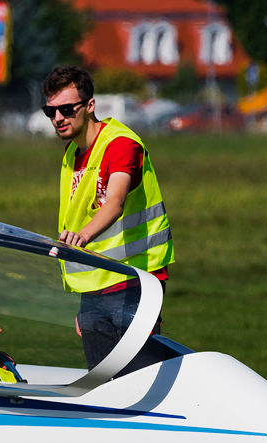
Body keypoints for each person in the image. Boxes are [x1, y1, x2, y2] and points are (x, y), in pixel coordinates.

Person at [42, 66, 174, 370]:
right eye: (50, 111)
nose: (58, 118)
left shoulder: (121, 144)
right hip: (94, 285)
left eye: (65, 109)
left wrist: (83, 237)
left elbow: (114, 203)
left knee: (139, 376)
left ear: (90, 106)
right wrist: (86, 303)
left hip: (134, 280)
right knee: (102, 381)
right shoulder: (70, 155)